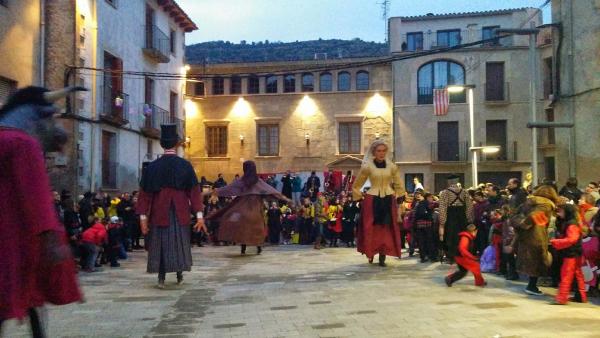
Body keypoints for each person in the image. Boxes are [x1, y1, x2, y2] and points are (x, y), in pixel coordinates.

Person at [0, 86, 84, 335]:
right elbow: (36, 197)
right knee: (26, 297)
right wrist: (51, 238)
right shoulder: (22, 144)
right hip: (14, 243)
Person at [137, 124, 206, 289]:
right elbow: (194, 193)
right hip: (180, 211)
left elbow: (145, 195)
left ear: (161, 144)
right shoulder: (185, 166)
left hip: (159, 212)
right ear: (176, 144)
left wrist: (143, 218)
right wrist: (199, 216)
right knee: (179, 243)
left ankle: (161, 278)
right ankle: (179, 274)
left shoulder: (152, 167)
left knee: (160, 243)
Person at [207, 161, 289, 255]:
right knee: (258, 227)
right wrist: (285, 198)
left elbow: (228, 188)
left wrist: (212, 192)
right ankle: (258, 247)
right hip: (255, 208)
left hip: (242, 206)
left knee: (235, 220)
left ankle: (243, 247)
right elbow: (271, 191)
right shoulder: (258, 181)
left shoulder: (241, 181)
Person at [353, 140, 405, 266]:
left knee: (387, 229)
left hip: (388, 199)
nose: (381, 153)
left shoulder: (392, 167)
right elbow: (356, 185)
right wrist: (359, 199)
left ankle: (382, 256)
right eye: (379, 151)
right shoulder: (367, 167)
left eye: (383, 151)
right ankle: (370, 252)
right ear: (374, 152)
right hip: (372, 200)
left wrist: (400, 195)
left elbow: (398, 182)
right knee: (371, 228)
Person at [513, 185, 558, 296]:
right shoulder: (546, 204)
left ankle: (531, 284)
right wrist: (526, 224)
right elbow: (535, 216)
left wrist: (522, 225)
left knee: (531, 259)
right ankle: (532, 286)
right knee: (537, 260)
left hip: (526, 235)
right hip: (536, 235)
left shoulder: (529, 202)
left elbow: (516, 214)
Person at [550, 203, 587, 304]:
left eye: (561, 211)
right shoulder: (573, 222)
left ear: (567, 212)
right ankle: (581, 297)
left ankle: (562, 298)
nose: (559, 212)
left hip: (571, 253)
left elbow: (571, 239)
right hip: (576, 252)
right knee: (577, 274)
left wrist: (555, 242)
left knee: (566, 275)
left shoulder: (571, 224)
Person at [438, 174, 473, 263]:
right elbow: (469, 206)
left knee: (451, 236)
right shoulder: (465, 192)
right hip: (462, 215)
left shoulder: (445, 192)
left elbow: (442, 207)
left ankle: (452, 256)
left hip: (451, 215)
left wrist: (442, 221)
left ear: (449, 182)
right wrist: (469, 218)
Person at [414, 192, 437, 262]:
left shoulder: (419, 203)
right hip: (427, 224)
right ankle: (432, 257)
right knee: (430, 241)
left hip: (419, 225)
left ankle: (423, 257)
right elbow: (434, 206)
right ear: (427, 197)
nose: (432, 199)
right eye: (431, 197)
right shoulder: (429, 203)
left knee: (421, 241)